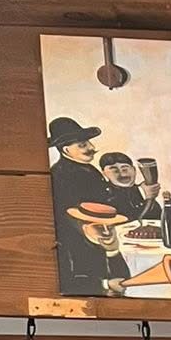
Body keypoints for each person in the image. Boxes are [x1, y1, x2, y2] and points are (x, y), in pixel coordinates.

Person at [47, 116, 113, 294]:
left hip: (96, 236)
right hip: (77, 244)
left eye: (89, 143)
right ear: (66, 150)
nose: (91, 148)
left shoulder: (87, 168)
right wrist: (87, 229)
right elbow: (65, 212)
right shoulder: (60, 174)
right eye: (83, 145)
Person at [98, 152, 145, 220]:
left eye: (125, 168)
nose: (121, 173)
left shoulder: (143, 191)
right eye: (114, 169)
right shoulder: (104, 196)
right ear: (104, 173)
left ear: (134, 169)